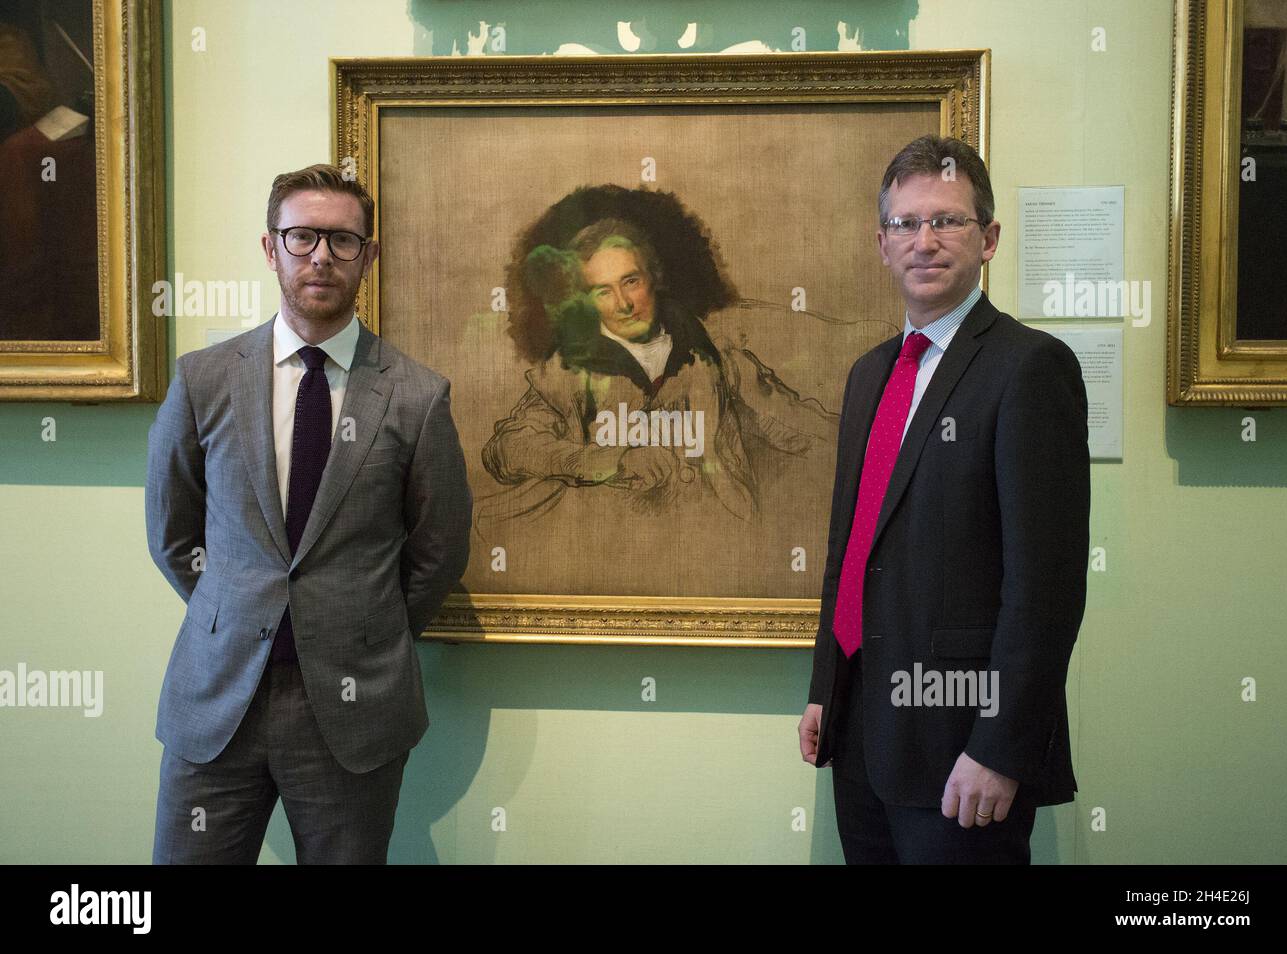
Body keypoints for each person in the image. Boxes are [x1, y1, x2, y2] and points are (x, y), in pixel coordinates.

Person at [145, 163, 472, 864]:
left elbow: (439, 550)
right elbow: (173, 531)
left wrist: (365, 625)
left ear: (368, 257)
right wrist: (233, 609)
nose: (321, 256)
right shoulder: (204, 380)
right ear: (271, 249)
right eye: (302, 237)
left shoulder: (417, 397)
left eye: (342, 241)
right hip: (218, 696)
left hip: (353, 711)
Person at [798, 135, 1090, 864]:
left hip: (963, 754)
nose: (924, 241)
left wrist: (1002, 746)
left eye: (948, 221)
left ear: (988, 239)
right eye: (906, 224)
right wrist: (826, 691)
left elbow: (1045, 588)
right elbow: (853, 548)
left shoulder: (1030, 369)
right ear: (882, 243)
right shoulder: (869, 375)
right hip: (862, 738)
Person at [481, 203, 837, 527]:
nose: (623, 303)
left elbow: (795, 424)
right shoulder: (566, 374)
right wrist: (613, 461)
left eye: (630, 282)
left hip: (720, 537)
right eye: (603, 291)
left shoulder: (714, 356)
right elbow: (507, 449)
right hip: (613, 548)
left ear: (653, 278)